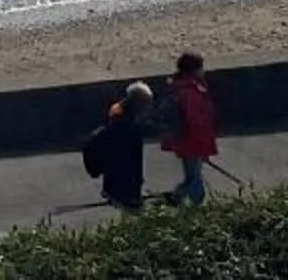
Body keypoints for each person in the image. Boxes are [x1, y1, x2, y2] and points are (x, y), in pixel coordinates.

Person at [80, 80, 153, 211]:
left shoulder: (119, 121)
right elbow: (132, 161)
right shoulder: (128, 128)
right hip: (125, 188)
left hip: (116, 186)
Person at [159, 51, 217, 205]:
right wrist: (203, 149)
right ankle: (187, 201)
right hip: (192, 142)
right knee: (195, 178)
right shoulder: (191, 92)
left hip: (185, 141)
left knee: (192, 176)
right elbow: (197, 122)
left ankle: (177, 197)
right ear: (195, 70)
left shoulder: (181, 88)